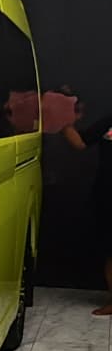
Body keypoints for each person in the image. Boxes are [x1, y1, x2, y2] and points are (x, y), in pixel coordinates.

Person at [64, 110, 112, 313]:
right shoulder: (109, 120)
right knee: (110, 249)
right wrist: (61, 121)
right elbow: (80, 142)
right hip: (108, 194)